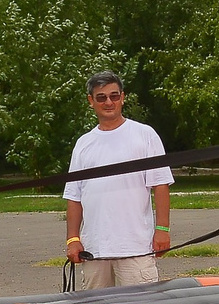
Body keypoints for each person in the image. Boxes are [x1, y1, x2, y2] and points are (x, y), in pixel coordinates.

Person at [62, 72, 173, 286]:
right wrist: (73, 239)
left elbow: (160, 185)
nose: (109, 102)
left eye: (114, 96)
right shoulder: (84, 144)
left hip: (136, 249)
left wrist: (163, 230)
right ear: (91, 101)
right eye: (101, 97)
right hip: (94, 252)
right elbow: (74, 197)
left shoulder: (145, 135)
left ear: (123, 97)